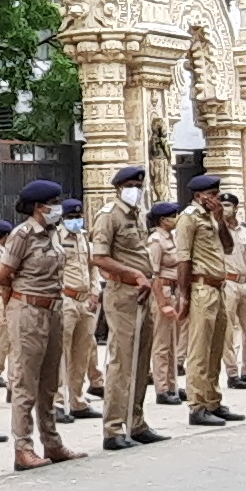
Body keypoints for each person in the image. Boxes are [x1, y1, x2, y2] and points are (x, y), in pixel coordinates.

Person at [0, 181, 75, 468]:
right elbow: (2, 274)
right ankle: (23, 447)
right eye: (53, 202)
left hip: (53, 309)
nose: (58, 207)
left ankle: (52, 442)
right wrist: (13, 302)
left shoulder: (54, 233)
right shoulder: (23, 234)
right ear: (39, 207)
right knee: (25, 381)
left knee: (50, 381)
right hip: (28, 309)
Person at [94, 167, 159, 452]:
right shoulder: (109, 215)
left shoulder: (136, 215)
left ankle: (137, 422)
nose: (136, 189)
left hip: (143, 292)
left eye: (139, 185)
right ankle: (113, 428)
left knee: (141, 361)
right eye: (131, 185)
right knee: (122, 361)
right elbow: (99, 257)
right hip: (123, 292)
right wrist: (133, 275)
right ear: (119, 187)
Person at [173, 174, 243, 426]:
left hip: (219, 287)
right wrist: (183, 295)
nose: (215, 199)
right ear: (198, 196)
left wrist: (220, 220)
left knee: (216, 347)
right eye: (211, 195)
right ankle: (197, 405)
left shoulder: (213, 219)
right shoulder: (188, 219)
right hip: (201, 287)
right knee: (199, 349)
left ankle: (213, 399)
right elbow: (183, 259)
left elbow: (228, 247)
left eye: (217, 194)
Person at [55, 198, 100, 420]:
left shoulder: (84, 237)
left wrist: (94, 292)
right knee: (61, 353)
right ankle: (58, 401)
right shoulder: (56, 238)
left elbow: (93, 269)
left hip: (85, 301)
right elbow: (54, 269)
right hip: (66, 298)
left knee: (83, 353)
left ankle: (77, 401)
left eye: (78, 217)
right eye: (71, 218)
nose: (75, 221)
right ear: (62, 219)